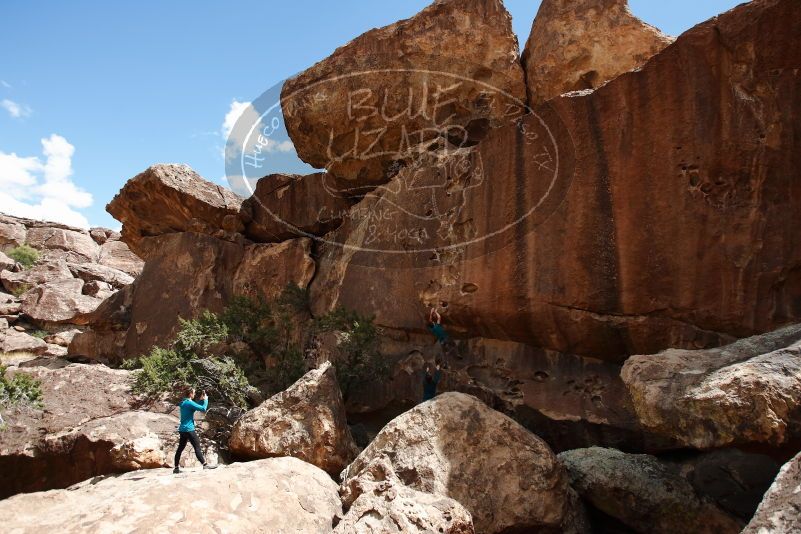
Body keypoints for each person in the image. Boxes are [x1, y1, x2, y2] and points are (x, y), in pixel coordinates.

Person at [173, 386, 216, 473]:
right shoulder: (189, 403)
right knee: (197, 447)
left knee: (180, 448)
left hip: (182, 430)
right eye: (194, 392)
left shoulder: (184, 402)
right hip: (189, 429)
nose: (195, 394)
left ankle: (176, 468)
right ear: (190, 394)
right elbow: (203, 408)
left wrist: (201, 400)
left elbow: (194, 407)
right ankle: (205, 465)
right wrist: (206, 399)